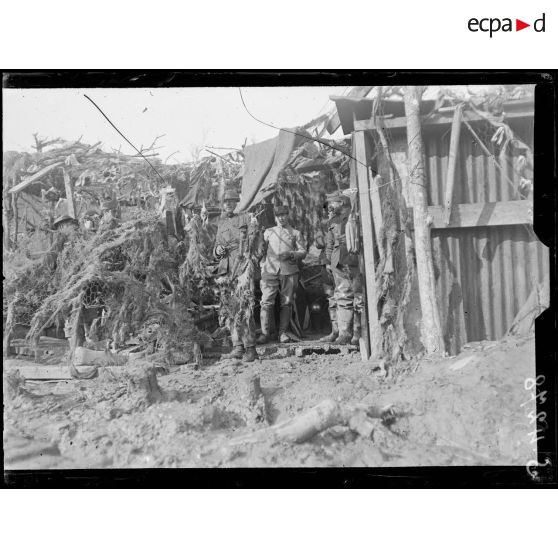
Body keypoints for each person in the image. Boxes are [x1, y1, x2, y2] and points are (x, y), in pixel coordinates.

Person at [213, 188, 259, 362]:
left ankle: (251, 348)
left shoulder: (246, 218)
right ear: (222, 204)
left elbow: (257, 242)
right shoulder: (222, 223)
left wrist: (250, 261)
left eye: (232, 201)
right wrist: (217, 250)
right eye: (226, 202)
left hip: (242, 268)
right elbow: (216, 247)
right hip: (226, 269)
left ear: (237, 202)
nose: (229, 205)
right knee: (230, 308)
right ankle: (237, 346)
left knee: (245, 307)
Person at [257, 205, 306, 345]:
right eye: (279, 215)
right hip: (269, 271)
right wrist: (262, 265)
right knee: (266, 301)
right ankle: (265, 333)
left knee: (286, 302)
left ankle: (283, 333)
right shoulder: (268, 232)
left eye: (284, 214)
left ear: (288, 215)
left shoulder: (295, 233)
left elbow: (303, 252)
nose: (281, 218)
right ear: (275, 217)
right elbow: (260, 250)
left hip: (288, 270)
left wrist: (292, 254)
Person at [325, 192, 363, 345]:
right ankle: (344, 333)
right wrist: (329, 262)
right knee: (342, 297)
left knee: (359, 297)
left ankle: (358, 333)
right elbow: (329, 243)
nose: (334, 207)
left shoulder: (357, 220)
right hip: (338, 262)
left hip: (355, 262)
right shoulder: (333, 221)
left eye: (340, 204)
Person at [317, 199, 339, 342]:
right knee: (331, 297)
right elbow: (318, 244)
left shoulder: (342, 223)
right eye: (328, 210)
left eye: (332, 209)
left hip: (340, 262)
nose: (329, 212)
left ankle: (344, 331)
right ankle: (335, 330)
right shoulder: (323, 225)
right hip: (326, 263)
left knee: (343, 296)